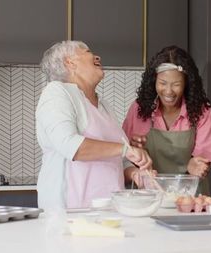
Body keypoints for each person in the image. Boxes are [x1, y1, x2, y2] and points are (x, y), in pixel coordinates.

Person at [36, 40, 152, 210]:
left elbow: (119, 159)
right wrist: (126, 149)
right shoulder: (56, 92)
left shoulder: (103, 105)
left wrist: (135, 173)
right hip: (70, 211)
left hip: (110, 209)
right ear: (70, 62)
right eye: (88, 52)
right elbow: (70, 146)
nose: (97, 56)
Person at [122, 45, 211, 194]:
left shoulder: (202, 111)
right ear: (154, 81)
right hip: (149, 196)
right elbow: (123, 156)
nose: (168, 91)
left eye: (176, 84)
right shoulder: (139, 109)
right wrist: (134, 150)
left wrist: (197, 165)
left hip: (189, 197)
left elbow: (203, 161)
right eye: (162, 83)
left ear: (186, 83)